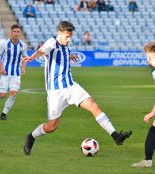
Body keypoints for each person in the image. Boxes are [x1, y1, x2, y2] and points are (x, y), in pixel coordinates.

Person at [22, 21, 132, 155]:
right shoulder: (52, 42)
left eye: (70, 37)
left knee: (93, 106)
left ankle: (116, 136)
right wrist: (32, 57)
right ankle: (31, 136)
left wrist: (70, 55)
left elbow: (64, 53)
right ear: (59, 34)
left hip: (71, 86)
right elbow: (41, 51)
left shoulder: (66, 46)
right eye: (66, 37)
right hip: (56, 92)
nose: (69, 40)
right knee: (52, 127)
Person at [0, 24, 27, 120]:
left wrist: (23, 67)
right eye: (14, 31)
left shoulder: (23, 45)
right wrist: (1, 67)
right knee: (3, 94)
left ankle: (4, 114)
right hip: (5, 73)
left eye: (18, 32)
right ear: (11, 32)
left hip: (16, 74)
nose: (16, 33)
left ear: (19, 33)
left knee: (13, 93)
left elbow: (24, 57)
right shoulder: (5, 44)